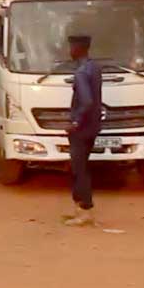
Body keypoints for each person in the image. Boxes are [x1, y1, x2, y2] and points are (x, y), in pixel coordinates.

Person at [63, 34, 103, 227]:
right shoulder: (94, 67)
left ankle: (85, 211)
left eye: (71, 47)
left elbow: (86, 101)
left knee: (79, 170)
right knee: (82, 167)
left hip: (82, 129)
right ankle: (79, 208)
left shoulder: (80, 73)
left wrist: (75, 122)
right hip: (93, 126)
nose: (69, 51)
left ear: (78, 49)